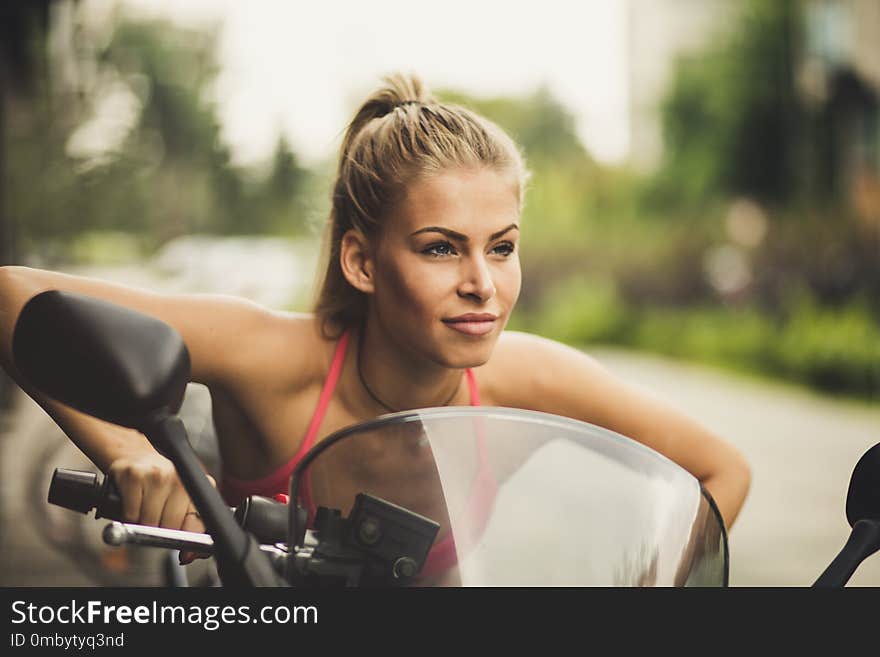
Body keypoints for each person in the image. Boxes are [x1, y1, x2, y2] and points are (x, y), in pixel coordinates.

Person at [0, 73, 750, 582]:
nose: (482, 283)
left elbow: (722, 471)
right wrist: (134, 455)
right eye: (439, 247)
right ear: (361, 260)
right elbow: (12, 293)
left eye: (503, 246)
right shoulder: (273, 357)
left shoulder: (523, 376)